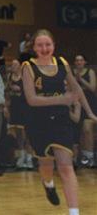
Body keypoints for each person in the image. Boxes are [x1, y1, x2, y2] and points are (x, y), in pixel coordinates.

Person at [21, 29, 97, 213]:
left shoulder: (62, 63)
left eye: (48, 44)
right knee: (46, 165)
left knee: (65, 165)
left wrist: (90, 113)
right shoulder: (28, 67)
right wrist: (62, 99)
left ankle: (74, 211)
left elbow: (77, 89)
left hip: (61, 120)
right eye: (40, 45)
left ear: (54, 45)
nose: (44, 48)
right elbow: (32, 99)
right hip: (38, 121)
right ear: (34, 47)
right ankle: (48, 183)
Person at [6, 59, 33, 169]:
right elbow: (7, 93)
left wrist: (20, 88)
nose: (12, 66)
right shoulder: (9, 77)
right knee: (18, 133)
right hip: (14, 107)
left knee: (28, 133)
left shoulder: (25, 76)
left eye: (15, 64)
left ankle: (29, 157)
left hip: (25, 107)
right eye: (12, 64)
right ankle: (21, 155)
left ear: (20, 66)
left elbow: (31, 91)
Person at [73, 54, 96, 167]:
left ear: (84, 62)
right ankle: (79, 158)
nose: (79, 62)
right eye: (77, 60)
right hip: (77, 105)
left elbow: (92, 88)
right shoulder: (71, 73)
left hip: (90, 104)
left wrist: (80, 79)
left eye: (81, 60)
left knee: (87, 129)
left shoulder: (90, 72)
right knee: (78, 132)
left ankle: (89, 158)